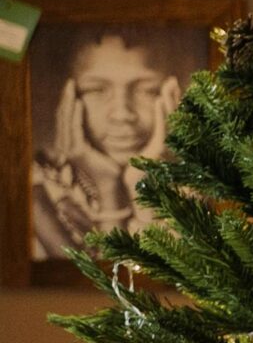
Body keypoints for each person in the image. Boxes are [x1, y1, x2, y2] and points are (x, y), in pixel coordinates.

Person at [30, 31, 183, 259]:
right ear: (66, 99)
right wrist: (107, 187)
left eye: (146, 90)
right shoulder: (40, 194)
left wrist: (143, 184)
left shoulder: (196, 190)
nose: (122, 114)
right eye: (97, 90)